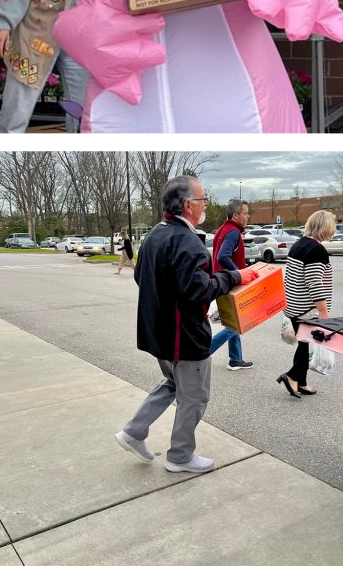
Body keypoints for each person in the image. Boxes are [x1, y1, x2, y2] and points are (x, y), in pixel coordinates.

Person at [116, 176, 254, 473]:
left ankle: (133, 431)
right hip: (184, 338)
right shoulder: (187, 241)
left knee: (172, 384)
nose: (206, 204)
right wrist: (234, 277)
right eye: (203, 199)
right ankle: (180, 456)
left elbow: (142, 277)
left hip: (160, 335)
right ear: (189, 205)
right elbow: (197, 290)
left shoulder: (156, 234)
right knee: (194, 397)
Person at [0, 0, 89, 134]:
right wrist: (2, 22)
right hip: (35, 36)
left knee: (84, 112)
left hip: (80, 34)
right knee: (16, 112)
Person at [276, 209, 335, 399]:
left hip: (293, 304)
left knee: (304, 344)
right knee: (306, 346)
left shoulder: (299, 245)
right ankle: (292, 376)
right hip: (306, 309)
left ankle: (301, 382)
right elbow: (314, 282)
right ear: (326, 227)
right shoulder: (317, 250)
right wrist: (323, 311)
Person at [206, 200, 254, 370]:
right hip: (230, 283)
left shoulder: (222, 229)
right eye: (246, 213)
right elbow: (222, 257)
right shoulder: (233, 232)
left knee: (233, 321)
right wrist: (239, 274)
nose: (248, 216)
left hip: (222, 281)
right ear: (235, 215)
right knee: (236, 324)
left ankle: (235, 358)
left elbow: (217, 257)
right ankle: (204, 352)